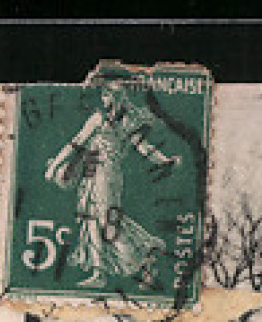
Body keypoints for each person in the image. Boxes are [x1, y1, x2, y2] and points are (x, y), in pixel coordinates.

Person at [44, 81, 180, 289]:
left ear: (116, 97)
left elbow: (144, 148)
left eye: (107, 96)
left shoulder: (125, 121)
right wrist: (55, 164)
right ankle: (100, 272)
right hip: (92, 173)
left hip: (107, 175)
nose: (104, 100)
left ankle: (145, 255)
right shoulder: (98, 119)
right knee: (90, 219)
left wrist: (164, 160)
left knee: (107, 222)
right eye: (104, 97)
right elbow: (76, 143)